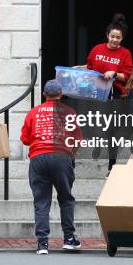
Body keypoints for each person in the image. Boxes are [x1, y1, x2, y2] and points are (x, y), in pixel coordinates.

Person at [20, 80, 83, 255]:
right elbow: (77, 139)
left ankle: (42, 244)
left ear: (44, 95)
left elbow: (25, 139)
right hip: (62, 156)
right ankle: (69, 239)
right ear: (61, 94)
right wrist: (70, 153)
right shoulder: (69, 112)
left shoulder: (33, 112)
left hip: (38, 157)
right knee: (66, 198)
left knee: (41, 201)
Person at [75, 13, 133, 170]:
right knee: (96, 122)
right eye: (112, 36)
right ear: (107, 35)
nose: (115, 40)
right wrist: (78, 69)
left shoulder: (125, 53)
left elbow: (127, 76)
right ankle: (97, 144)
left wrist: (114, 74)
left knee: (111, 129)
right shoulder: (97, 49)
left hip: (115, 95)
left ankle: (111, 163)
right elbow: (90, 68)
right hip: (96, 93)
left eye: (118, 38)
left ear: (122, 38)